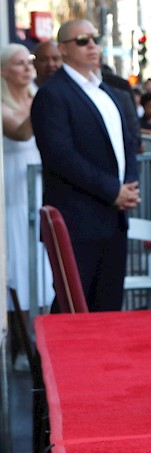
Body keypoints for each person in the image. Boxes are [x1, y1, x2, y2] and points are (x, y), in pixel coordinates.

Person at [30, 20, 140, 312]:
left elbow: (128, 143)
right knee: (73, 307)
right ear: (63, 49)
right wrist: (112, 190)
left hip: (113, 218)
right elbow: (60, 156)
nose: (92, 45)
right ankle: (54, 360)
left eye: (95, 38)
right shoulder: (52, 95)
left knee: (109, 307)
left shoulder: (107, 92)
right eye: (82, 40)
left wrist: (128, 186)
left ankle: (106, 360)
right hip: (77, 220)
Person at [1, 45, 53, 314]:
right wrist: (42, 103)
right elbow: (19, 133)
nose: (27, 67)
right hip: (13, 190)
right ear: (4, 70)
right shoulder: (3, 104)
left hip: (40, 185)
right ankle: (17, 321)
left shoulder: (36, 95)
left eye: (28, 61)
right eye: (19, 63)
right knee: (18, 251)